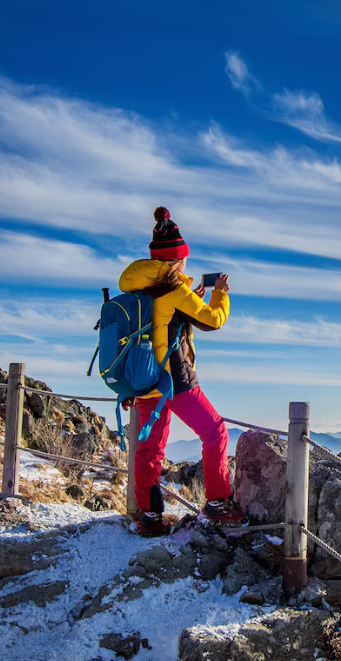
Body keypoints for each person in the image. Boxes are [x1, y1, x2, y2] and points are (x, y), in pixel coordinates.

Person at [119, 206, 240, 536]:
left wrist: (190, 298)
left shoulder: (138, 286)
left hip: (144, 379)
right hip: (174, 380)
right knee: (215, 432)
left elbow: (163, 320)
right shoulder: (174, 288)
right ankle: (216, 504)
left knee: (149, 449)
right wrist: (220, 294)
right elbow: (213, 320)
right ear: (177, 259)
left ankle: (150, 518)